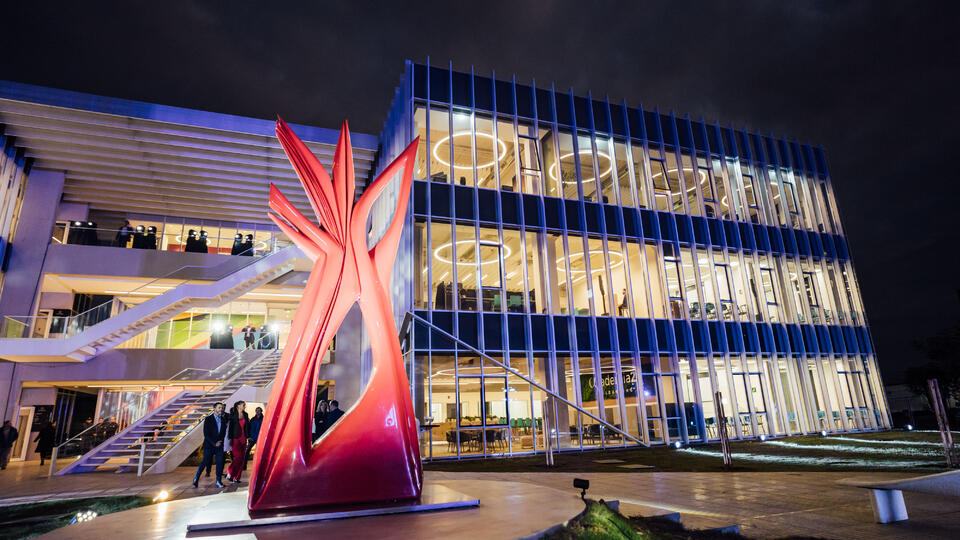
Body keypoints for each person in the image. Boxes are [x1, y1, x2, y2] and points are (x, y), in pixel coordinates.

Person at [193, 402, 227, 488]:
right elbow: (206, 434)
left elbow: (223, 433)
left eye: (222, 408)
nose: (221, 409)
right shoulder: (208, 419)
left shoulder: (223, 419)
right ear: (214, 409)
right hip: (209, 445)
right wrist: (214, 443)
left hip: (219, 446)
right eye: (219, 408)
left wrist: (221, 442)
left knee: (220, 463)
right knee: (205, 462)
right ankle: (196, 478)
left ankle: (218, 481)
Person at [225, 401, 249, 483]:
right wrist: (230, 438)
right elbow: (230, 428)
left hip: (243, 438)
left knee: (242, 459)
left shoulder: (245, 414)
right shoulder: (233, 415)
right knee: (237, 457)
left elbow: (247, 426)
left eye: (244, 405)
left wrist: (248, 436)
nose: (244, 406)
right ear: (238, 406)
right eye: (243, 405)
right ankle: (230, 471)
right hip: (235, 438)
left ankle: (236, 477)